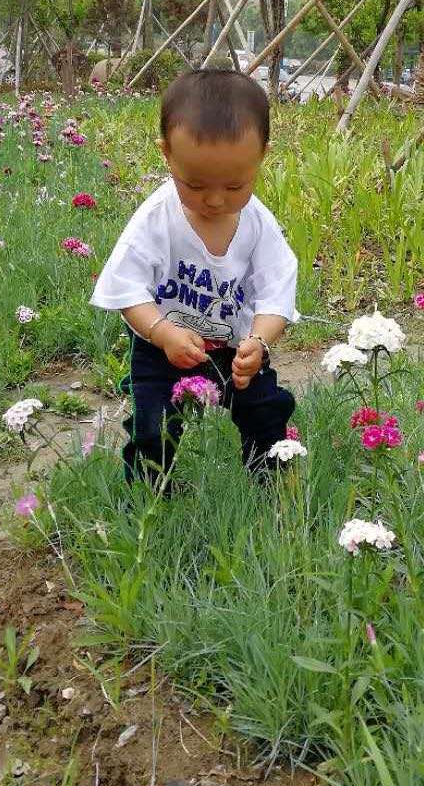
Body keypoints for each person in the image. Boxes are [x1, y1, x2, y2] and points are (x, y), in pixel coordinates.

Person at [90, 70, 297, 483]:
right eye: (196, 184)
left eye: (236, 185)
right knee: (155, 426)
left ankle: (272, 487)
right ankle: (147, 496)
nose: (216, 200)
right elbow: (126, 287)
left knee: (265, 410)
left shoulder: (259, 225)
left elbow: (276, 293)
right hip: (162, 346)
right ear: (167, 153)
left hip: (235, 347)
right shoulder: (155, 219)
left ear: (263, 156)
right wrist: (162, 332)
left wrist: (258, 342)